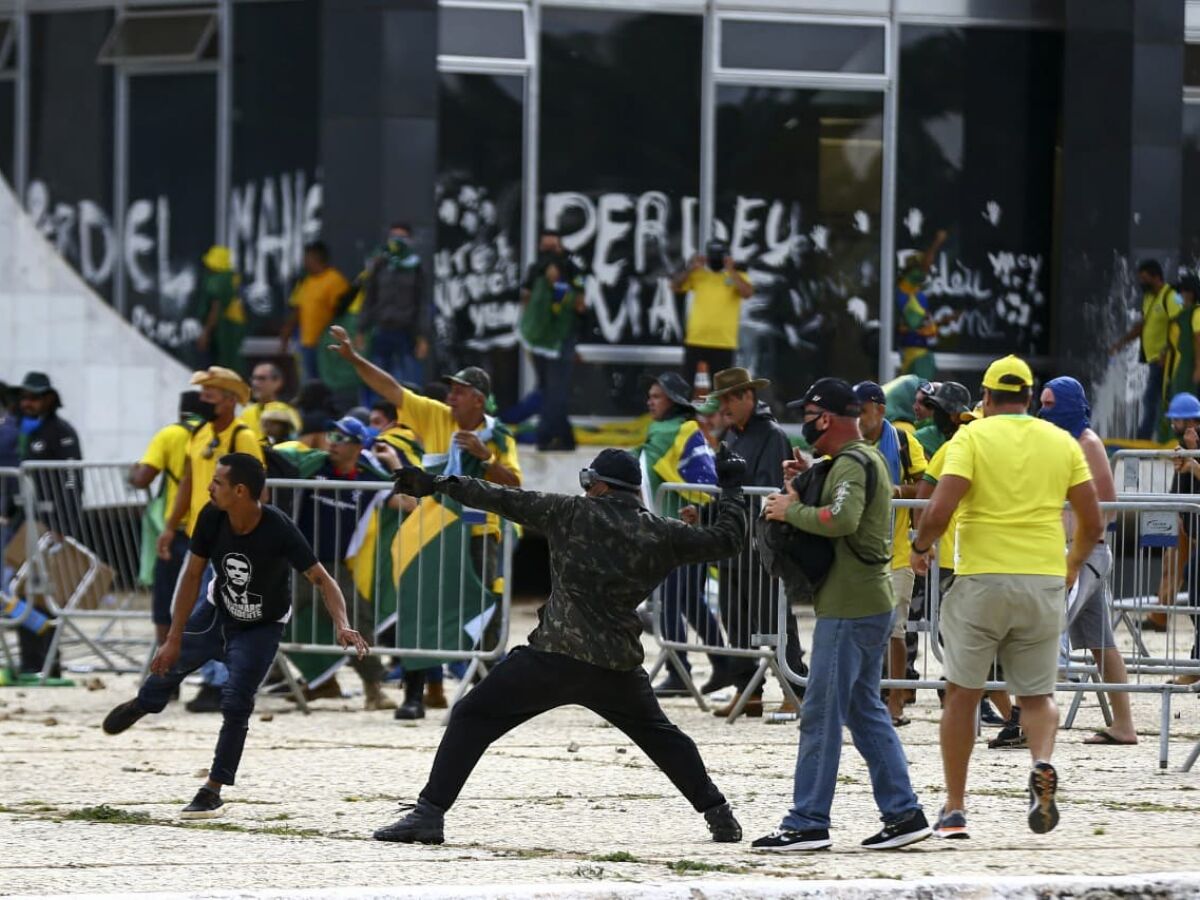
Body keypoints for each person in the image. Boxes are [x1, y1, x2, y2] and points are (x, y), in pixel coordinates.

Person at [372, 446, 749, 845]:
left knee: (470, 716)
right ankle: (719, 814)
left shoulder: (570, 512)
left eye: (589, 482)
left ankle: (429, 815)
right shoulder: (661, 532)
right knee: (663, 738)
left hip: (554, 657)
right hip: (616, 665)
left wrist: (437, 484)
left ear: (599, 485)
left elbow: (501, 497)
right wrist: (732, 488)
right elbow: (727, 540)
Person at [103, 453, 370, 819]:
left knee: (236, 702)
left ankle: (212, 788)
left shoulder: (278, 528)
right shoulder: (211, 517)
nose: (209, 488)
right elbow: (192, 576)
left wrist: (341, 623)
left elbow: (323, 579)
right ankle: (145, 704)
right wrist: (174, 637)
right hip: (215, 614)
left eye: (217, 483)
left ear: (240, 491)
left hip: (261, 627)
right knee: (163, 674)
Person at [910, 354, 1103, 839]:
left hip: (981, 580)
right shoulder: (1060, 441)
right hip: (1042, 579)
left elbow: (938, 509)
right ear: (1030, 398)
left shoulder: (972, 437)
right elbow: (1093, 519)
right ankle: (1041, 761)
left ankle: (955, 808)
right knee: (1037, 697)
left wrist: (920, 548)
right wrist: (1073, 563)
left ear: (988, 398)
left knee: (962, 695)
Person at [753, 378, 930, 853]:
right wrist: (806, 480)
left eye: (808, 414)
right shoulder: (854, 461)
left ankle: (807, 821)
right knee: (865, 711)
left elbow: (844, 518)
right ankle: (904, 813)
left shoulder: (853, 462)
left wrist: (790, 511)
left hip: (850, 609)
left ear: (824, 418)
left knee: (820, 713)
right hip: (863, 603)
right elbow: (838, 503)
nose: (804, 423)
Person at [328, 326, 520, 720]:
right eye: (450, 390)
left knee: (485, 612)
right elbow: (392, 388)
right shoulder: (436, 416)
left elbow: (515, 484)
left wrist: (485, 457)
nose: (450, 396)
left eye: (459, 391)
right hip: (431, 532)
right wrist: (353, 359)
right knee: (419, 608)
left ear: (478, 399)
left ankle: (483, 696)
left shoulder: (499, 435)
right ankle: (414, 695)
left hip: (479, 533)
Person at [157, 366, 264, 713]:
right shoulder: (199, 432)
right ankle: (200, 678)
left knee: (219, 613)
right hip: (200, 535)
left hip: (231, 537)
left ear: (229, 400)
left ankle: (219, 684)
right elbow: (188, 482)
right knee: (189, 609)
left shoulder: (243, 436)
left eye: (209, 395)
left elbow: (260, 488)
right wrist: (171, 525)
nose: (202, 401)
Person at [1038, 376, 1137, 743]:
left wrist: (1073, 540)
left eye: (1049, 404)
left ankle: (1028, 718)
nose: (1042, 410)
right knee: (1102, 644)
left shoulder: (1087, 443)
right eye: (1041, 403)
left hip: (1085, 553)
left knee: (1045, 629)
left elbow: (1107, 505)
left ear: (1066, 403)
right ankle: (1124, 725)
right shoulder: (1063, 442)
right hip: (1077, 551)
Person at [281, 416, 400, 711]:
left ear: (359, 446)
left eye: (341, 437)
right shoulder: (315, 465)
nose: (332, 441)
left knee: (358, 621)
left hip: (333, 566)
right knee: (262, 618)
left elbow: (408, 502)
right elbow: (277, 461)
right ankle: (224, 681)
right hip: (297, 562)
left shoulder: (370, 477)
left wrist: (395, 463)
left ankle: (373, 689)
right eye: (331, 434)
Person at [708, 367, 806, 717]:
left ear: (749, 396)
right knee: (735, 620)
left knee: (774, 619)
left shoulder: (771, 435)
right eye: (722, 400)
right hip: (733, 543)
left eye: (731, 398)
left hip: (760, 543)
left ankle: (796, 689)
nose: (725, 407)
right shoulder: (731, 436)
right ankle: (747, 691)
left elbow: (766, 488)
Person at [637, 372, 724, 696]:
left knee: (671, 600)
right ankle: (724, 662)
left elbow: (699, 479)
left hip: (685, 531)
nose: (650, 401)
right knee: (688, 600)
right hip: (677, 531)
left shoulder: (682, 431)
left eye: (656, 396)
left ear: (672, 400)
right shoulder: (670, 431)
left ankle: (679, 671)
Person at [852, 381, 927, 727]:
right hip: (855, 551)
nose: (857, 418)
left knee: (895, 630)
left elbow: (926, 487)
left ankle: (896, 699)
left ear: (880, 410)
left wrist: (897, 490)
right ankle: (862, 697)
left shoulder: (902, 441)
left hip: (896, 550)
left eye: (862, 411)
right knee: (856, 627)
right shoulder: (846, 442)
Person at [13, 371, 82, 675]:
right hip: (18, 522)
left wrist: (64, 526)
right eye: (24, 397)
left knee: (45, 595)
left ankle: (49, 662)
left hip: (48, 524)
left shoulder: (61, 431)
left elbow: (72, 480)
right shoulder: (14, 429)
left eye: (34, 397)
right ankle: (29, 662)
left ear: (48, 399)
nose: (28, 402)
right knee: (18, 592)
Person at [129, 391, 207, 649]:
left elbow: (142, 479)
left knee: (166, 600)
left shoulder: (170, 435)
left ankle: (166, 664)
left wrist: (133, 472)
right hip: (212, 529)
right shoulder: (214, 436)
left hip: (179, 528)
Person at [519, 231, 585, 451]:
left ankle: (547, 435)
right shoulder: (535, 271)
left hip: (561, 339)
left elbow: (579, 303)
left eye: (552, 249)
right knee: (549, 389)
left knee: (555, 389)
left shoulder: (571, 269)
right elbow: (526, 301)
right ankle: (564, 437)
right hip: (539, 339)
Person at [1154, 392, 1200, 676]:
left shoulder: (1190, 451)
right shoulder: (1181, 449)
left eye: (1178, 421)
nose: (1175, 427)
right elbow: (1178, 496)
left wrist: (1194, 462)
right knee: (1194, 598)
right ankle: (1196, 663)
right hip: (1193, 536)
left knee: (1196, 596)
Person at [1111, 259, 1184, 440]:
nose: (1141, 282)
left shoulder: (1172, 296)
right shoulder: (1149, 298)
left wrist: (1167, 351)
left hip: (1167, 360)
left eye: (1144, 278)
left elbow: (1180, 325)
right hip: (1153, 360)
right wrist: (1121, 343)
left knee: (1153, 399)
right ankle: (1154, 436)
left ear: (1156, 277)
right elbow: (1142, 325)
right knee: (1154, 399)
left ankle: (1147, 437)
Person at [672, 239, 754, 388]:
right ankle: (686, 412)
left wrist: (731, 270)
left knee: (720, 390)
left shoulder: (738, 275)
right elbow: (675, 286)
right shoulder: (699, 275)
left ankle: (718, 413)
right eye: (713, 256)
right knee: (686, 387)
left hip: (723, 342)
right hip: (696, 339)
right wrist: (691, 268)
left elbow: (747, 293)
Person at [358, 223, 428, 390]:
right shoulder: (380, 264)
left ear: (410, 240)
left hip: (407, 332)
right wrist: (361, 329)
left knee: (409, 383)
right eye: (393, 237)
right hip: (382, 329)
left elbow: (423, 303)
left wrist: (423, 337)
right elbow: (369, 298)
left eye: (401, 237)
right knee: (378, 381)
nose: (396, 241)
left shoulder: (415, 267)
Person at [281, 242, 352, 382]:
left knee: (325, 381)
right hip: (306, 341)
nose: (304, 262)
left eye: (306, 257)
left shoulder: (335, 280)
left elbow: (341, 313)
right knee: (308, 380)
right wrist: (286, 333)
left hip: (325, 343)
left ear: (316, 257)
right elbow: (298, 308)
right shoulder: (306, 281)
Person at [895, 230, 949, 380]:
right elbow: (925, 265)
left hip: (923, 351)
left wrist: (943, 322)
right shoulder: (905, 290)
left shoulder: (919, 294)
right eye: (919, 268)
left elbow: (921, 325)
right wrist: (937, 242)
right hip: (912, 354)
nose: (925, 271)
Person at [196, 246, 246, 375]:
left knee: (221, 366)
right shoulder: (232, 278)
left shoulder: (218, 281)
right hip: (234, 326)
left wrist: (206, 333)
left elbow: (216, 308)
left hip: (223, 329)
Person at [242, 363, 300, 441]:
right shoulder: (247, 412)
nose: (255, 383)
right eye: (253, 378)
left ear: (278, 382)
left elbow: (295, 440)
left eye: (261, 378)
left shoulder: (287, 411)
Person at [913, 381, 972, 460]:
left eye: (947, 410)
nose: (939, 413)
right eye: (937, 407)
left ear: (960, 415)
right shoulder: (922, 437)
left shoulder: (970, 439)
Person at [1166, 275, 1200, 405]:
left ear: (1190, 294)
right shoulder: (1183, 314)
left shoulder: (1197, 313)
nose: (1178, 295)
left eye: (1181, 292)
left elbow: (1198, 340)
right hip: (1181, 366)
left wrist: (1198, 367)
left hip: (1190, 367)